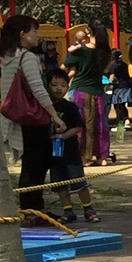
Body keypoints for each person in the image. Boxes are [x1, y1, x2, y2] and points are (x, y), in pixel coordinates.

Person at [0, 14, 65, 212]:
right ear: (23, 34)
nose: (38, 35)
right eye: (34, 31)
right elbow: (38, 89)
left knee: (31, 164)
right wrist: (55, 115)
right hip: (32, 118)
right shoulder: (27, 57)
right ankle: (32, 209)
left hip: (16, 116)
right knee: (36, 165)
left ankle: (32, 208)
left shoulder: (8, 56)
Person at [45, 68, 98, 222]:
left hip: (70, 153)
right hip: (54, 156)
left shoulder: (69, 107)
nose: (58, 88)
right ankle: (68, 211)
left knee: (78, 182)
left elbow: (78, 126)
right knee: (60, 184)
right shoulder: (44, 107)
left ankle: (88, 209)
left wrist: (62, 136)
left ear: (68, 88)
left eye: (62, 85)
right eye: (54, 85)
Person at [65, 24, 114, 166]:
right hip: (98, 92)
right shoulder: (105, 52)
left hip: (80, 91)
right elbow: (106, 69)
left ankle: (83, 157)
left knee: (80, 125)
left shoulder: (80, 50)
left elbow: (66, 64)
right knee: (100, 124)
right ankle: (102, 157)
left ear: (88, 31)